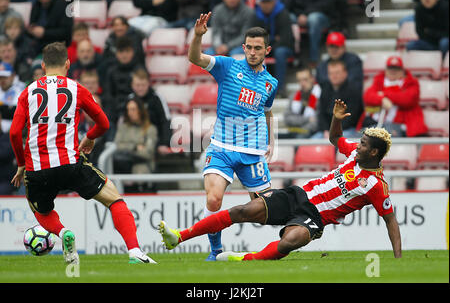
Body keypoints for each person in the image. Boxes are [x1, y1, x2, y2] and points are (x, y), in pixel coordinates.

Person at [159, 99, 402, 261]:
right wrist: (336, 118)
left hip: (316, 217)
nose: (357, 146)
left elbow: (391, 221)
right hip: (299, 195)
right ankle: (178, 236)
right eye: (359, 142)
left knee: (290, 242)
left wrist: (398, 259)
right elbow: (335, 137)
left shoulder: (376, 186)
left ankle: (243, 259)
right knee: (244, 209)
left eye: (363, 145)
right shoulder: (352, 154)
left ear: (374, 153)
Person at [9, 42, 156, 265]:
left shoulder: (28, 92)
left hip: (37, 169)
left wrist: (21, 164)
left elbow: (13, 133)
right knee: (115, 201)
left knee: (42, 213)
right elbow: (104, 123)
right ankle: (135, 251)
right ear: (68, 63)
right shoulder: (76, 88)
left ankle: (63, 232)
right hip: (71, 164)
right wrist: (90, 137)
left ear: (43, 65)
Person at [188, 13, 278, 260]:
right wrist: (198, 36)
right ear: (243, 47)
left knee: (265, 212)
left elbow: (266, 112)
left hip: (252, 151)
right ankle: (215, 250)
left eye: (257, 48)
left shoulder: (270, 83)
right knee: (214, 199)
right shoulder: (227, 66)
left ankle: (287, 244)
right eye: (248, 47)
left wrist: (271, 141)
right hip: (221, 147)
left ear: (266, 50)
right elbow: (194, 57)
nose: (252, 52)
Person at [362, 55, 427, 137]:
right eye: (390, 68)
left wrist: (384, 95)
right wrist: (382, 100)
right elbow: (367, 96)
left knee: (385, 134)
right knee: (356, 136)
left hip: (400, 125)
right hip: (376, 122)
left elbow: (408, 99)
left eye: (396, 69)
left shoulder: (411, 82)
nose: (393, 71)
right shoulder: (379, 80)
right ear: (386, 70)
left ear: (402, 71)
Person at [250, 0, 294, 97]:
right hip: (264, 47)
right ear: (260, 3)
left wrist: (267, 43)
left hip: (282, 47)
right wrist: (272, 40)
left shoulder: (283, 13)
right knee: (253, 52)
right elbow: (253, 36)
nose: (266, 5)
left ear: (274, 1)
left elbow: (285, 38)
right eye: (264, 2)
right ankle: (255, 89)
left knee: (280, 52)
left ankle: (280, 89)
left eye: (268, 2)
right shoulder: (255, 15)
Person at [113, 97, 158, 192]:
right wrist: (135, 147)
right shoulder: (123, 128)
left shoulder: (150, 129)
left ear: (140, 110)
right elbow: (117, 146)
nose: (130, 112)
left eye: (133, 109)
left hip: (142, 172)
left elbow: (147, 153)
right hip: (123, 170)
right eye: (128, 110)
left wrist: (126, 149)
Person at [314, 60, 363, 139]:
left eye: (337, 73)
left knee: (338, 142)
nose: (334, 76)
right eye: (331, 73)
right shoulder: (325, 89)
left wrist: (333, 131)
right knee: (311, 142)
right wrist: (326, 130)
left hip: (348, 129)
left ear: (345, 73)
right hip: (327, 131)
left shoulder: (353, 90)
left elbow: (351, 117)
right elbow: (321, 113)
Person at [129, 68, 172, 156]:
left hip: (155, 140)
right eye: (137, 85)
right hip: (134, 140)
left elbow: (165, 121)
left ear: (148, 84)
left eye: (143, 85)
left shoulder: (157, 98)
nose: (140, 88)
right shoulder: (130, 99)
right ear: (132, 85)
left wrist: (164, 143)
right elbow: (125, 123)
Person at [284, 67, 320, 138]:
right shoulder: (293, 96)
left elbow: (317, 122)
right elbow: (287, 119)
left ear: (312, 79)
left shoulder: (319, 95)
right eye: (299, 80)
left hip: (314, 133)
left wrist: (301, 128)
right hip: (295, 131)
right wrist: (307, 119)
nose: (302, 83)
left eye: (305, 80)